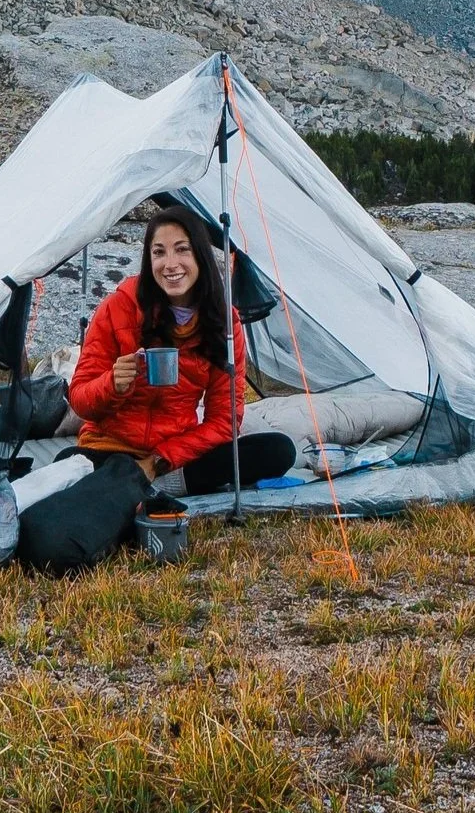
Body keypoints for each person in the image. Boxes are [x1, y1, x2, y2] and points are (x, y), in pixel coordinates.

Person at [16, 208, 295, 573]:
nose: (170, 263)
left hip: (173, 455)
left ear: (199, 256)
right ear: (148, 261)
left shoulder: (225, 324)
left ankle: (139, 489)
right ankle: (137, 489)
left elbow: (226, 420)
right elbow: (82, 400)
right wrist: (112, 384)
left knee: (277, 449)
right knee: (80, 465)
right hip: (112, 450)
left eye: (182, 250)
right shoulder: (119, 307)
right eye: (158, 252)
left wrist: (160, 460)